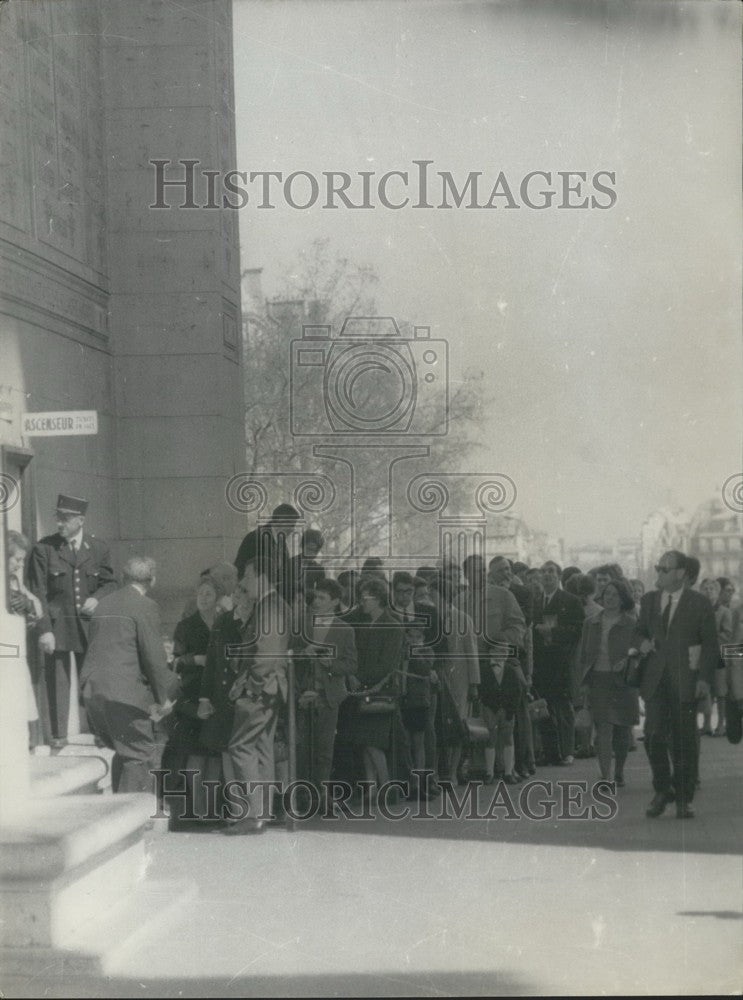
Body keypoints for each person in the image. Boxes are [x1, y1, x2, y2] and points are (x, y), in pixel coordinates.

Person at [207, 558, 291, 834]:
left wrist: (250, 687)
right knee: (261, 747)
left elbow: (266, 654)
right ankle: (262, 813)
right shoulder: (272, 605)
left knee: (240, 746)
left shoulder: (269, 607)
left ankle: (252, 815)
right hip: (271, 689)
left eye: (247, 576)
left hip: (260, 688)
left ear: (262, 577)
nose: (242, 582)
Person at [633, 551, 719, 819]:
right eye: (658, 568)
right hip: (655, 680)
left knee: (684, 742)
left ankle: (684, 798)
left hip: (686, 681)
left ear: (681, 573)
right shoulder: (648, 601)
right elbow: (638, 632)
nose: (658, 573)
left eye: (663, 569)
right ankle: (662, 788)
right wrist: (641, 643)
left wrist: (704, 679)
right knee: (653, 735)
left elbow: (710, 645)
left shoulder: (699, 603)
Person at [80, 557, 177, 794]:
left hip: (94, 693)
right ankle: (134, 821)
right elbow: (154, 657)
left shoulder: (103, 604)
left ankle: (119, 813)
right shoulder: (146, 606)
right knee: (140, 752)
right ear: (152, 580)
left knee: (125, 752)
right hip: (124, 695)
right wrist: (163, 697)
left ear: (124, 578)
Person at [28, 494, 117, 747]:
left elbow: (109, 582)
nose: (59, 524)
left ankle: (99, 732)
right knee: (57, 681)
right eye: (58, 518)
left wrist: (98, 598)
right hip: (58, 627)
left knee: (92, 680)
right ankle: (59, 735)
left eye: (65, 519)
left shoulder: (97, 548)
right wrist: (44, 629)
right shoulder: (44, 549)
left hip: (89, 627)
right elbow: (38, 593)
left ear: (80, 520)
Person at [162, 576, 221, 818]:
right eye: (200, 594)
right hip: (193, 693)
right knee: (196, 752)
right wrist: (195, 660)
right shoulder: (186, 626)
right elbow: (175, 662)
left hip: (218, 694)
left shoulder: (224, 622)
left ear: (217, 598)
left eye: (208, 594)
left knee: (215, 753)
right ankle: (197, 810)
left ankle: (211, 809)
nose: (203, 598)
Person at [295, 579, 357, 797]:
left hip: (329, 695)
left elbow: (352, 664)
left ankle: (321, 794)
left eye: (323, 598)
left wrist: (332, 665)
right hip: (303, 692)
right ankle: (302, 795)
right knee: (302, 746)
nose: (317, 601)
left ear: (335, 601)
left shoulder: (345, 630)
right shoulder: (302, 623)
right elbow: (289, 652)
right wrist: (304, 653)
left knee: (324, 749)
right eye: (316, 596)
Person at [578, 579, 639, 786]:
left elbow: (641, 651)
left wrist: (628, 658)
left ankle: (619, 771)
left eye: (615, 595)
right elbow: (584, 655)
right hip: (598, 680)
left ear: (623, 599)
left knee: (622, 730)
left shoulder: (632, 623)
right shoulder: (591, 623)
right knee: (603, 729)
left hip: (624, 682)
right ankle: (606, 776)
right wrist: (584, 683)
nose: (610, 598)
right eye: (607, 594)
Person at [349, 577, 404, 802]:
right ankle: (373, 789)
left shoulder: (393, 625)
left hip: (380, 690)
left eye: (366, 597)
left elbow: (387, 665)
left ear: (379, 599)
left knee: (373, 742)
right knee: (365, 742)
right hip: (363, 689)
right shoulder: (364, 623)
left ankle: (386, 786)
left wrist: (357, 677)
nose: (362, 601)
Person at [532, 561, 585, 765]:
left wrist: (553, 632)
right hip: (540, 663)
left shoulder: (570, 601)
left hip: (562, 661)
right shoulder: (536, 601)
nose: (546, 575)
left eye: (551, 572)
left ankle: (567, 751)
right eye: (543, 572)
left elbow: (578, 630)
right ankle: (549, 752)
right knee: (544, 709)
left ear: (559, 576)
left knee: (563, 708)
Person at [7, 530, 43, 748]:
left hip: (16, 656)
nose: (20, 565)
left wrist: (28, 605)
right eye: (17, 559)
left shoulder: (13, 581)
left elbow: (37, 607)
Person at [234, 502, 300, 604]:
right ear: (279, 520)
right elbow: (240, 570)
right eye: (291, 524)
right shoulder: (255, 538)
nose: (292, 529)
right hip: (252, 600)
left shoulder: (282, 544)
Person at [479, 645, 522, 784]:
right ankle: (489, 772)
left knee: (508, 739)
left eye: (505, 651)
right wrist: (487, 707)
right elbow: (482, 690)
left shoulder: (511, 670)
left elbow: (517, 692)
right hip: (490, 709)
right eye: (499, 650)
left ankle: (508, 772)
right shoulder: (484, 670)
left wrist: (510, 709)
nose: (502, 654)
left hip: (507, 709)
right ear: (490, 651)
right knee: (490, 739)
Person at [699, 578, 733, 736]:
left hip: (719, 657)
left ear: (718, 592)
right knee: (707, 691)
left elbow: (728, 634)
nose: (709, 591)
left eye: (712, 588)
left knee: (720, 692)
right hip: (701, 656)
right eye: (705, 588)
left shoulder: (725, 612)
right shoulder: (696, 611)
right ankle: (706, 725)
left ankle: (721, 725)